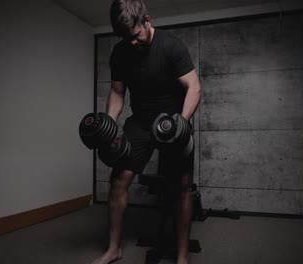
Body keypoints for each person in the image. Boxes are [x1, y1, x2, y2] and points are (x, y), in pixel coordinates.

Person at [92, 1, 201, 264]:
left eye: (136, 35)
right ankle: (114, 249)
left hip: (172, 122)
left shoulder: (171, 46)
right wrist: (108, 125)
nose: (131, 42)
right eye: (124, 37)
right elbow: (118, 93)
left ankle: (183, 256)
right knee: (118, 179)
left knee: (182, 186)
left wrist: (182, 124)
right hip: (140, 123)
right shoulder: (120, 53)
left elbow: (194, 87)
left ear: (147, 21)